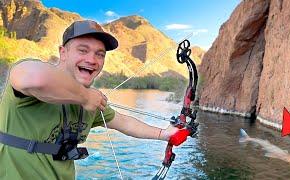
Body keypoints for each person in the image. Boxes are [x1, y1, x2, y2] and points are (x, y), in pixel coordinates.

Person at [0, 20, 180, 179]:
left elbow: (124, 122)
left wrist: (164, 134)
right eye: (83, 50)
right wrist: (85, 96)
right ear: (63, 53)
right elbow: (36, 78)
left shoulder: (92, 103)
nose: (92, 60)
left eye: (100, 54)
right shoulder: (29, 74)